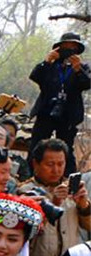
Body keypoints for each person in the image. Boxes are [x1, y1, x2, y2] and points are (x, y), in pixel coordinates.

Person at [19, 139, 91, 256]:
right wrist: (53, 203)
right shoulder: (25, 192)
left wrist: (83, 205)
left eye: (60, 164)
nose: (56, 170)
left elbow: (88, 227)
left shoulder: (72, 189)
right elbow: (25, 232)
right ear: (36, 164)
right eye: (50, 164)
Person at [29, 32, 91, 174]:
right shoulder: (50, 66)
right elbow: (35, 76)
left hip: (68, 114)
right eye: (66, 47)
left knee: (66, 148)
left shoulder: (82, 68)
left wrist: (78, 69)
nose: (69, 51)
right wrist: (47, 61)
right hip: (46, 111)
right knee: (36, 145)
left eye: (72, 48)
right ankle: (31, 175)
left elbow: (86, 84)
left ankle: (68, 179)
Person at [0, 116, 33, 182]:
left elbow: (25, 182)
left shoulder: (20, 163)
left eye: (11, 135)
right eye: (4, 133)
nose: (8, 138)